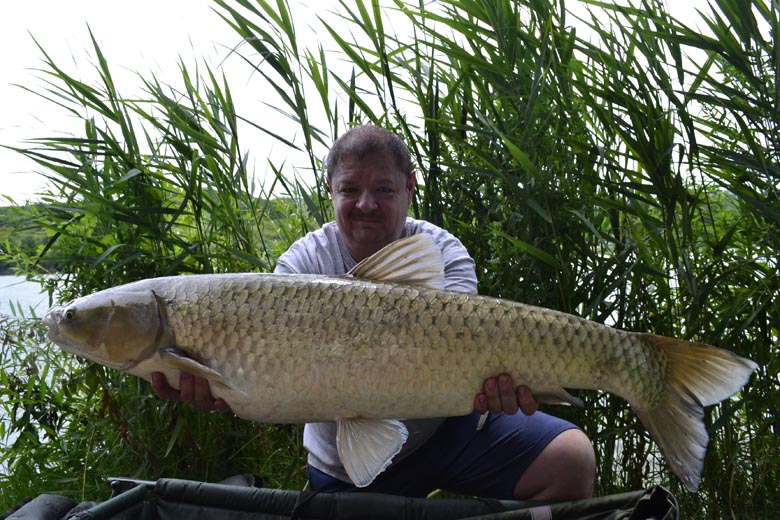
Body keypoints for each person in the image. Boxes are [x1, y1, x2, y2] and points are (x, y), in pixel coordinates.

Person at [152, 124, 596, 501]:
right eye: (350, 189)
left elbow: (472, 357)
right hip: (347, 461)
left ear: (409, 187)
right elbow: (261, 378)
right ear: (331, 191)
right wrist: (218, 387)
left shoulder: (441, 252)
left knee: (571, 460)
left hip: (446, 430)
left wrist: (507, 382)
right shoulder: (297, 270)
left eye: (383, 189)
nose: (365, 204)